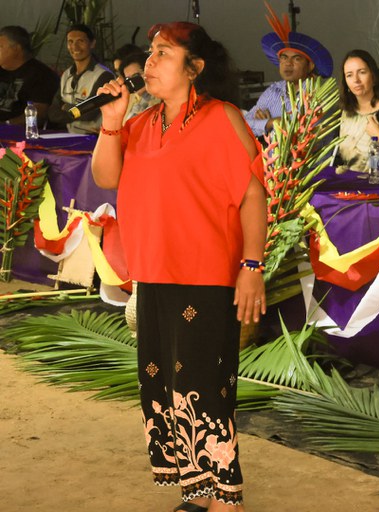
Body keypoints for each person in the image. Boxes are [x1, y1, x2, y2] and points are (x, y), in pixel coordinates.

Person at [91, 21, 267, 512]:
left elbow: (253, 194)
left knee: (202, 389)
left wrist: (252, 265)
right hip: (153, 273)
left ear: (195, 67)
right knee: (165, 386)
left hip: (207, 275)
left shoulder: (222, 117)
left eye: (163, 53)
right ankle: (200, 490)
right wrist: (111, 119)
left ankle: (226, 498)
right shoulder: (142, 124)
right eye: (149, 53)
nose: (149, 62)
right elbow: (106, 176)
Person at [243, 5, 332, 138]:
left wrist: (267, 124)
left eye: (296, 59)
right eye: (284, 58)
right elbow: (243, 126)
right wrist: (270, 123)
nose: (288, 64)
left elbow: (304, 136)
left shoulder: (318, 94)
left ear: (311, 65)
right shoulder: (273, 91)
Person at [48, 24, 113, 133]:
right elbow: (52, 113)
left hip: (92, 137)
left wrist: (66, 107)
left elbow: (89, 114)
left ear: (92, 44)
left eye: (80, 41)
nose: (75, 47)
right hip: (67, 134)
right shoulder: (66, 75)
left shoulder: (103, 75)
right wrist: (77, 110)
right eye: (70, 42)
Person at [0, 25, 58, 125]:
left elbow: (38, 113)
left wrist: (6, 125)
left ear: (16, 49)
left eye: (0, 47)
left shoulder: (41, 74)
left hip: (16, 133)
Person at [118, 51, 159, 124]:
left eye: (135, 76)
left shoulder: (161, 99)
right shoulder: (130, 98)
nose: (132, 82)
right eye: (128, 79)